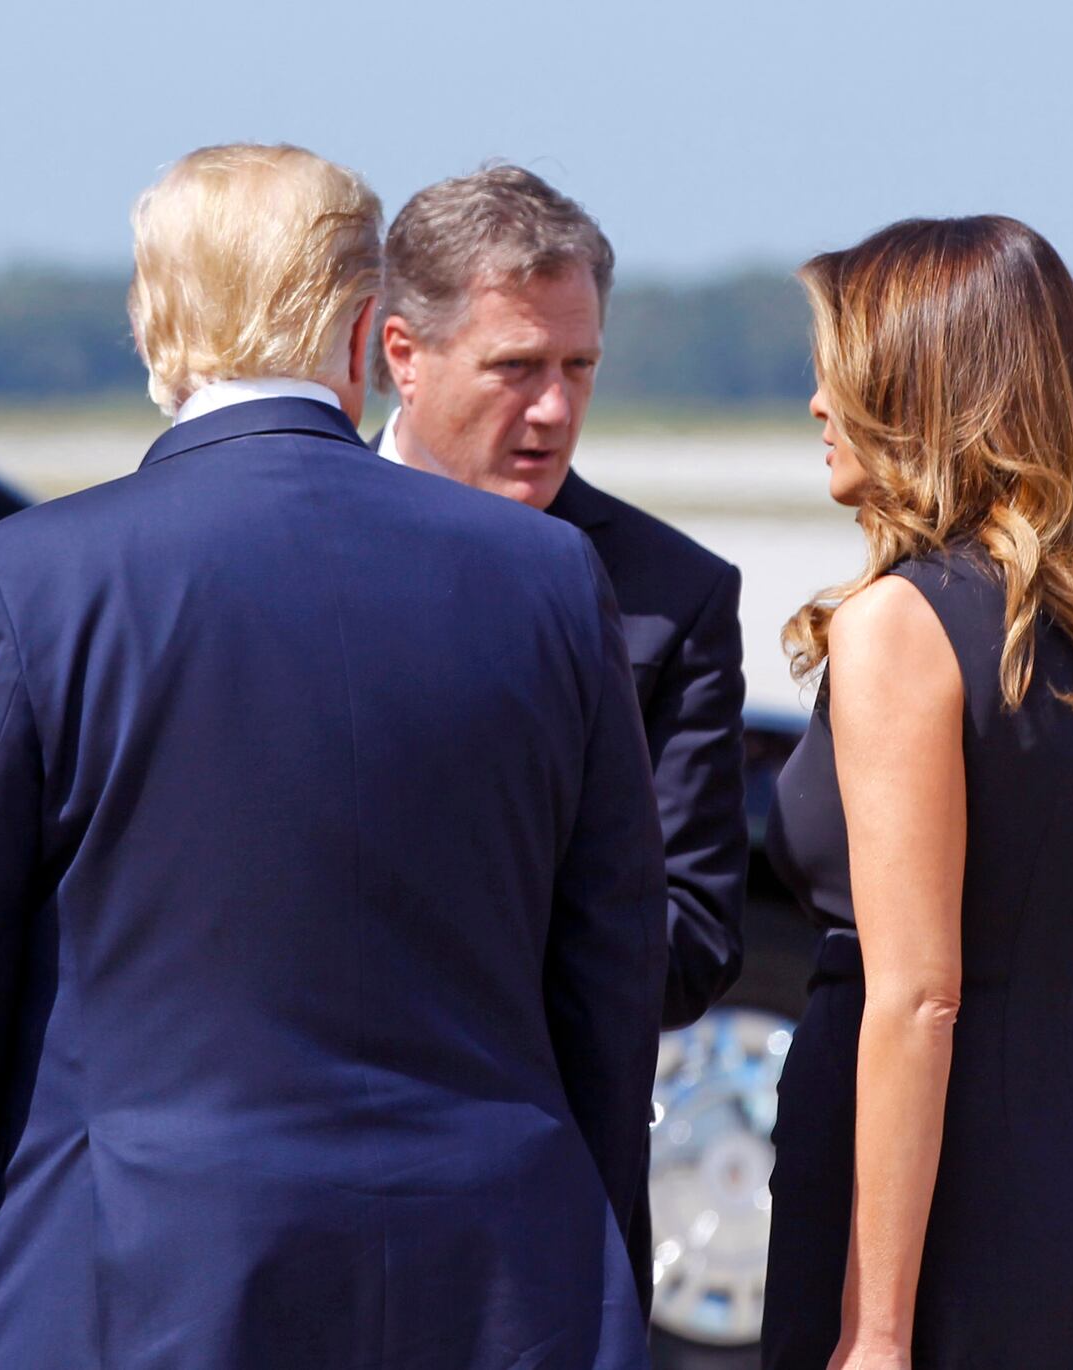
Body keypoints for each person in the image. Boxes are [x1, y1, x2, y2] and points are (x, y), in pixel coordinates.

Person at [0, 143, 668, 1370]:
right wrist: (597, 1271)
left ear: (151, 319)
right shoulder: (545, 577)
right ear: (360, 327)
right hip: (497, 1272)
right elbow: (608, 966)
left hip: (133, 1276)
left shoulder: (27, 585)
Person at [372, 164, 748, 1310]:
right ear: (402, 353)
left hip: (543, 1189)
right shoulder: (263, 558)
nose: (551, 408)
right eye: (514, 368)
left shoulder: (665, 596)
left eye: (577, 367)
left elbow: (689, 932)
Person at [761, 215, 1073, 1368]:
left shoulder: (902, 628)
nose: (818, 402)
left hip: (927, 1200)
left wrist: (874, 1326)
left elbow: (918, 997)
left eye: (841, 367)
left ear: (916, 385)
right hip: (1070, 1142)